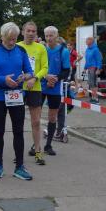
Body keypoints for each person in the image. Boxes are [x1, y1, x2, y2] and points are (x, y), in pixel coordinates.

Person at [0, 22, 34, 180]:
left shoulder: (21, 50)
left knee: (19, 131)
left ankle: (19, 166)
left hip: (16, 95)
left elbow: (29, 71)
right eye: (9, 39)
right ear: (2, 36)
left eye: (14, 39)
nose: (12, 42)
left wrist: (25, 76)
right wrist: (3, 79)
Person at [17, 22, 49, 165]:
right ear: (22, 32)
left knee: (36, 122)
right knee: (18, 122)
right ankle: (18, 153)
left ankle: (38, 152)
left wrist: (35, 78)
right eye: (28, 31)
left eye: (33, 31)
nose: (31, 33)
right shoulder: (17, 47)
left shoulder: (41, 48)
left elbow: (45, 68)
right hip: (18, 88)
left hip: (34, 88)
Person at [42, 26, 69, 155]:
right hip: (41, 86)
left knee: (52, 117)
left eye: (51, 35)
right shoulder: (42, 49)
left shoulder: (63, 51)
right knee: (36, 117)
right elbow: (37, 68)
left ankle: (48, 145)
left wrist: (55, 78)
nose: (49, 38)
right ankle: (35, 145)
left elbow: (66, 71)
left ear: (56, 36)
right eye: (46, 36)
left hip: (55, 87)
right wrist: (46, 77)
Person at [84, 36, 103, 104]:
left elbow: (99, 60)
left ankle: (96, 99)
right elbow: (87, 60)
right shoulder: (87, 49)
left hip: (94, 68)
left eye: (87, 40)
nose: (85, 41)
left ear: (91, 41)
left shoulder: (95, 49)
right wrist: (85, 68)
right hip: (89, 68)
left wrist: (98, 69)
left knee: (94, 84)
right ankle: (93, 98)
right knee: (91, 84)